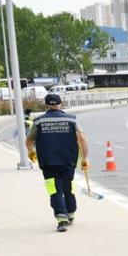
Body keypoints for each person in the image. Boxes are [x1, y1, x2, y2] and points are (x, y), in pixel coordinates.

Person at [26, 93, 88, 232]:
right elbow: (82, 139)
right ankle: (70, 213)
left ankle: (61, 218)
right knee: (68, 188)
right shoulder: (71, 120)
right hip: (68, 161)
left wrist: (31, 152)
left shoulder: (38, 121)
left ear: (46, 105)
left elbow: (29, 140)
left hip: (48, 162)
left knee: (54, 190)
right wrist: (85, 158)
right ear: (60, 104)